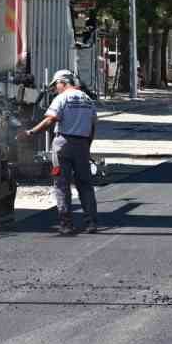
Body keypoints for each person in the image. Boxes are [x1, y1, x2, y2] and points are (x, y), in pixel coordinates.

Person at [21, 69, 99, 234]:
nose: (55, 88)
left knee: (61, 185)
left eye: (56, 85)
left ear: (63, 82)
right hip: (83, 145)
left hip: (63, 144)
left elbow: (50, 119)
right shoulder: (88, 100)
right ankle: (91, 222)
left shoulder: (62, 98)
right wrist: (86, 146)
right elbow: (92, 127)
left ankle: (66, 224)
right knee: (85, 184)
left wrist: (31, 132)